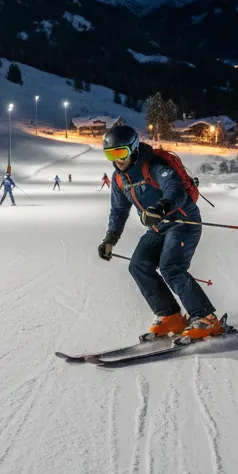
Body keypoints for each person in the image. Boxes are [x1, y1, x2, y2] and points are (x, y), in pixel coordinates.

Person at [97, 124, 223, 340]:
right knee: (138, 265)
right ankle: (171, 317)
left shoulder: (154, 164)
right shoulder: (119, 179)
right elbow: (118, 211)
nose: (117, 159)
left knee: (171, 267)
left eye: (121, 152)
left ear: (133, 148)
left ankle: (207, 319)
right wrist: (110, 238)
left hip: (183, 222)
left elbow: (175, 190)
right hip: (158, 228)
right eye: (111, 154)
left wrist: (161, 207)